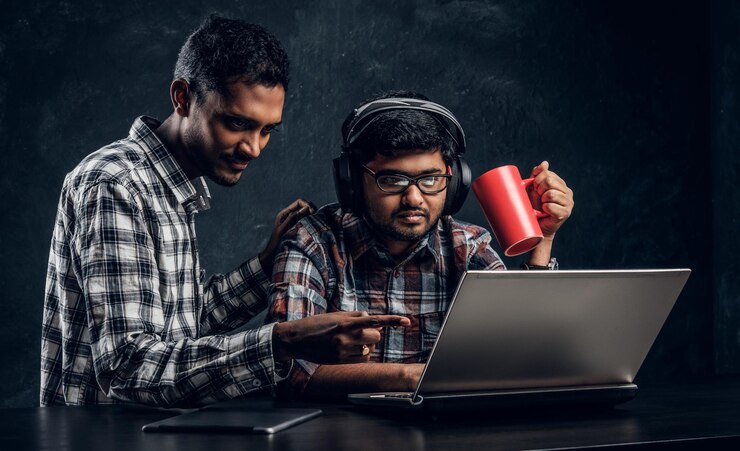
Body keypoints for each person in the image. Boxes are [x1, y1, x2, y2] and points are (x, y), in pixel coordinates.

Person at [40, 16, 409, 407]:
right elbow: (128, 368)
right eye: (237, 123)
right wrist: (284, 341)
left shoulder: (170, 185)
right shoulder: (117, 184)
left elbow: (181, 327)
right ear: (183, 97)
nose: (253, 148)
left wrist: (267, 265)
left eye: (267, 130)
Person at [266, 91, 574, 399]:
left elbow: (526, 350)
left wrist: (542, 238)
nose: (414, 199)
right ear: (353, 181)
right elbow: (289, 371)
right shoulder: (312, 242)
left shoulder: (466, 247)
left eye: (430, 179)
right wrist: (411, 376)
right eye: (392, 180)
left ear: (454, 182)